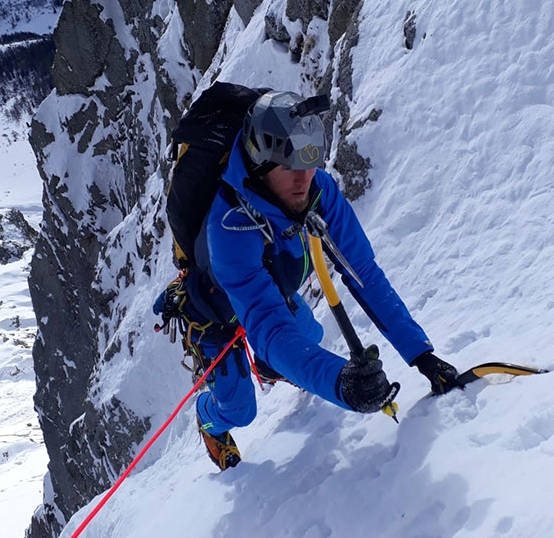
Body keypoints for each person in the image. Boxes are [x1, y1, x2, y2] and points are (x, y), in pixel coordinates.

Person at [154, 90, 459, 470]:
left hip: (269, 294)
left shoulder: (317, 190)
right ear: (262, 165)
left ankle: (270, 365)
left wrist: (421, 354)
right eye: (290, 167)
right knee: (240, 408)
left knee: (308, 339)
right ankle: (209, 419)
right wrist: (341, 385)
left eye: (310, 162)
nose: (304, 179)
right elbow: (268, 327)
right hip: (215, 316)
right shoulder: (229, 226)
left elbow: (362, 271)